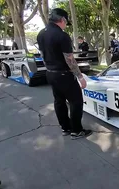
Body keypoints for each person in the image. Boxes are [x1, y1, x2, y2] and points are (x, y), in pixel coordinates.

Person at [36, 8, 93, 140]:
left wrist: (50, 68)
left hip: (50, 73)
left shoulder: (41, 34)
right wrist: (80, 77)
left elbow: (43, 55)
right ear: (63, 20)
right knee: (76, 101)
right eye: (66, 22)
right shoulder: (62, 35)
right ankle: (77, 130)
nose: (66, 25)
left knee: (59, 101)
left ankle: (65, 128)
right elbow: (70, 59)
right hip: (64, 74)